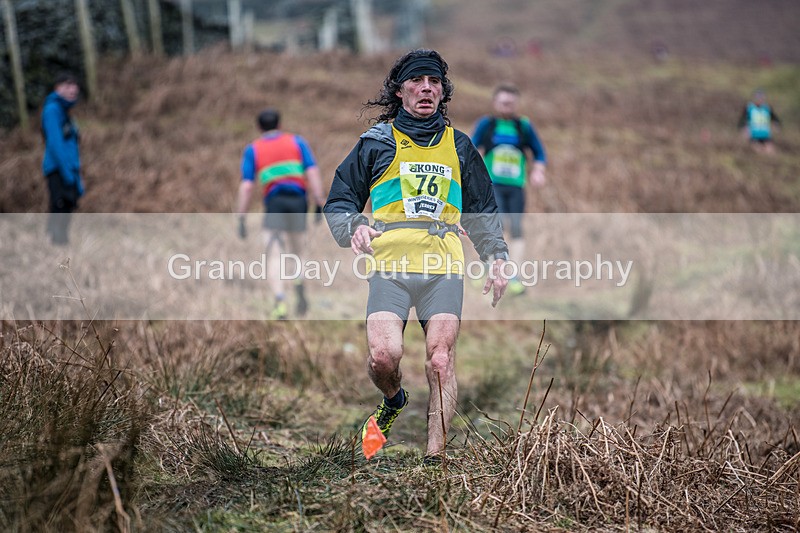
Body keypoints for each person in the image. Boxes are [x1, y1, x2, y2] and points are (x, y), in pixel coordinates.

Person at [324, 49, 510, 463]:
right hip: (389, 266)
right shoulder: (376, 143)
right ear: (400, 89)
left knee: (440, 360)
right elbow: (339, 201)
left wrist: (496, 259)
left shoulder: (460, 147)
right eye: (417, 81)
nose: (426, 89)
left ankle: (435, 458)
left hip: (442, 265)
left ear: (442, 92)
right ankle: (393, 401)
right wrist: (354, 226)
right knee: (382, 356)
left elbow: (482, 212)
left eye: (434, 83)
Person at [236, 108, 326, 319]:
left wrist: (241, 216)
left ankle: (279, 303)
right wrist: (319, 202)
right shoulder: (297, 142)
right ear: (280, 124)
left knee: (274, 254)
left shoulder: (253, 149)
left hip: (275, 203)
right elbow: (312, 172)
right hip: (298, 202)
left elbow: (247, 186)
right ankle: (298, 281)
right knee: (298, 250)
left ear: (259, 128)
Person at [471, 84, 547, 296]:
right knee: (499, 224)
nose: (507, 106)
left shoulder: (523, 126)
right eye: (503, 102)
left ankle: (512, 274)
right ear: (495, 103)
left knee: (516, 228)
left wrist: (538, 171)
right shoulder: (487, 124)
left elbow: (540, 153)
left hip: (516, 186)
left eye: (511, 102)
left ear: (516, 104)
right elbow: (469, 148)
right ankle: (491, 268)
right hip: (492, 185)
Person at [41, 72, 84, 245]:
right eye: (67, 85)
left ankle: (59, 244)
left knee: (66, 208)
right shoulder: (52, 110)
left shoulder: (64, 111)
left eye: (74, 85)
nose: (73, 89)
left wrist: (77, 175)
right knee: (60, 207)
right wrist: (67, 173)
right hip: (58, 168)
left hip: (68, 168)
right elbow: (55, 144)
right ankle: (57, 246)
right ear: (57, 88)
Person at [738, 89, 781, 155]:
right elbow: (742, 120)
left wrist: (776, 125)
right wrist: (744, 129)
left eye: (761, 98)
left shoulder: (767, 108)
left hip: (765, 135)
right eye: (758, 98)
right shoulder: (749, 108)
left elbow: (775, 119)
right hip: (753, 135)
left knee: (770, 153)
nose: (760, 99)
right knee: (758, 153)